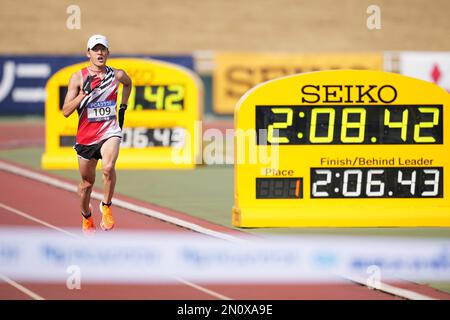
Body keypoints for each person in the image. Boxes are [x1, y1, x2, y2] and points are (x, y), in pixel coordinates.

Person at [62, 34, 132, 234]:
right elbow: (66, 111)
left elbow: (128, 83)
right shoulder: (78, 77)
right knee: (86, 184)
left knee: (108, 168)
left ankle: (106, 206)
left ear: (108, 53)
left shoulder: (116, 75)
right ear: (88, 53)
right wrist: (83, 95)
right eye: (95, 49)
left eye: (103, 49)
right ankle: (86, 216)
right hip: (86, 137)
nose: (100, 53)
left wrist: (123, 107)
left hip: (110, 130)